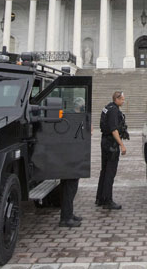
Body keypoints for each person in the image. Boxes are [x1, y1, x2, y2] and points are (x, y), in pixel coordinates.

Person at [95, 90, 127, 210]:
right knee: (110, 172)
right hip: (111, 144)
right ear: (117, 99)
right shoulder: (114, 110)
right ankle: (107, 200)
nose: (123, 101)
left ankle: (100, 198)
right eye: (122, 99)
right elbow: (114, 130)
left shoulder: (107, 107)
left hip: (105, 142)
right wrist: (121, 145)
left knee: (104, 171)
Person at [58, 97, 87, 227]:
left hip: (73, 156)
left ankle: (69, 214)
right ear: (79, 106)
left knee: (71, 187)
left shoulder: (75, 116)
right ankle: (65, 218)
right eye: (83, 106)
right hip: (69, 158)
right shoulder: (70, 118)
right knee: (69, 188)